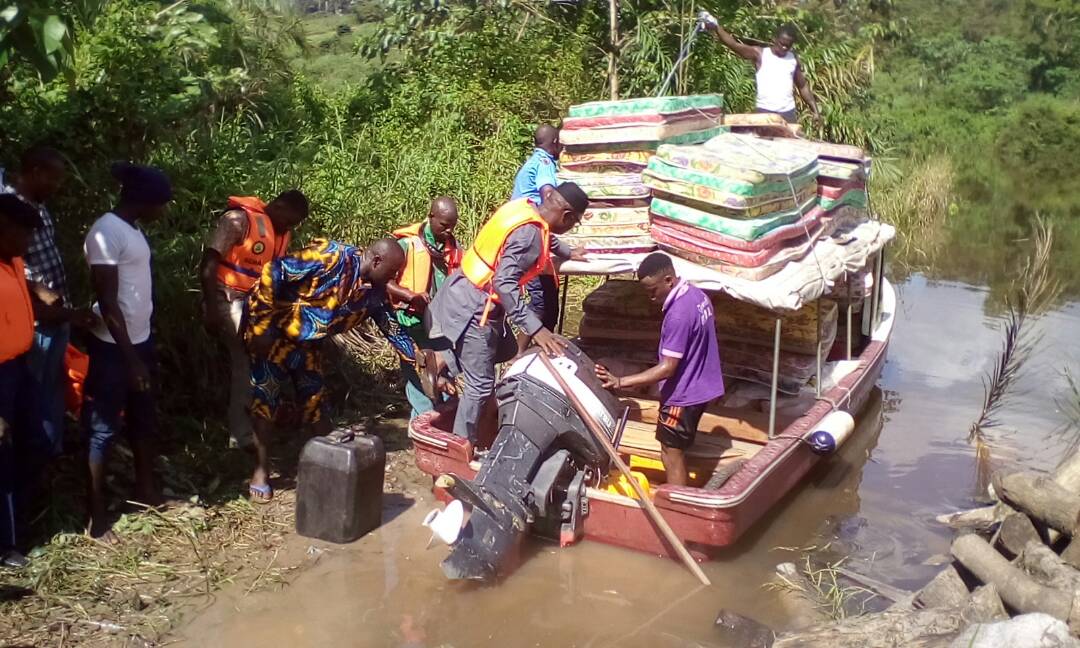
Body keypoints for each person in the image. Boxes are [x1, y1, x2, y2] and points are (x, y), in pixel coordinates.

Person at [243, 238, 405, 501]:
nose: (394, 277)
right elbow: (273, 270)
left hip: (308, 346)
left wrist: (417, 358)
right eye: (392, 271)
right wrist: (260, 326)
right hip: (274, 337)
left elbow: (392, 329)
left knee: (315, 403)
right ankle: (261, 471)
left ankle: (329, 467)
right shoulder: (330, 258)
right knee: (265, 401)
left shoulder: (373, 292)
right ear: (376, 261)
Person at [428, 183, 589, 444]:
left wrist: (569, 252)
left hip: (460, 289)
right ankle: (460, 445)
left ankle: (442, 359)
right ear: (567, 216)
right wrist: (537, 329)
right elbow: (504, 283)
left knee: (503, 351)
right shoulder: (530, 236)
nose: (572, 227)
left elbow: (549, 236)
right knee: (480, 386)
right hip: (476, 307)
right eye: (575, 223)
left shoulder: (526, 209)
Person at [82, 162, 173, 541]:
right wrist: (131, 358)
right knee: (102, 429)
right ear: (143, 201)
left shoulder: (130, 230)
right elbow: (106, 300)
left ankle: (145, 491)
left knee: (143, 419)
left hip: (139, 342)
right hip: (113, 349)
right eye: (161, 204)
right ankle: (95, 515)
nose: (163, 211)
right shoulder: (105, 232)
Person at [595, 253, 725, 487]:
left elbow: (668, 368)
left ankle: (676, 505)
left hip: (683, 396)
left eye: (652, 290)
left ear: (668, 280)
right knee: (677, 446)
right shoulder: (697, 296)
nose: (650, 297)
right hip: (702, 386)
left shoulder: (678, 314)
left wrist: (620, 382)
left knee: (671, 453)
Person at [1, 146, 97, 456]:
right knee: (31, 404)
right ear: (35, 173)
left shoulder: (38, 205)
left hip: (56, 315)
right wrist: (38, 291)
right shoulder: (8, 208)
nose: (57, 187)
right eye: (53, 179)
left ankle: (48, 458)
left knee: (51, 391)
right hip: (30, 325)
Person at [199, 191, 309, 449]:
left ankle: (270, 418)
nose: (290, 228)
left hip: (255, 305)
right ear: (279, 207)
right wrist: (211, 309)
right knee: (247, 356)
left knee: (284, 348)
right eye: (290, 221)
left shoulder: (280, 234)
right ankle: (242, 434)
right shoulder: (239, 221)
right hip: (224, 299)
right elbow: (209, 262)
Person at [0, 194, 52, 568]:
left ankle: (20, 522)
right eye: (25, 235)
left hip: (19, 367)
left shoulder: (13, 261)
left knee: (38, 440)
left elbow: (26, 291)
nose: (29, 244)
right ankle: (6, 545)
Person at [384, 196, 461, 419]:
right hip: (410, 321)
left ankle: (444, 422)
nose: (448, 231)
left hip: (440, 324)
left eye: (452, 227)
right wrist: (409, 295)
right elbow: (384, 280)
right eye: (444, 225)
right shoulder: (407, 245)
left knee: (443, 372)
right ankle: (423, 424)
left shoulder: (452, 249)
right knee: (418, 375)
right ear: (431, 217)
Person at [510, 125, 583, 353]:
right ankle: (518, 354)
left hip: (535, 237)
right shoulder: (543, 164)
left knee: (550, 302)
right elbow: (549, 195)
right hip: (526, 241)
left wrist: (568, 252)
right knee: (540, 301)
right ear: (553, 142)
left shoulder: (533, 162)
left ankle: (541, 350)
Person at [700, 15, 822, 125]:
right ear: (774, 39)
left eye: (788, 46)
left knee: (788, 147)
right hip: (764, 111)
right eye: (781, 44)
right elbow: (734, 45)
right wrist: (716, 26)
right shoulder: (760, 54)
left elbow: (803, 86)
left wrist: (815, 111)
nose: (784, 47)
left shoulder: (793, 59)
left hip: (787, 113)